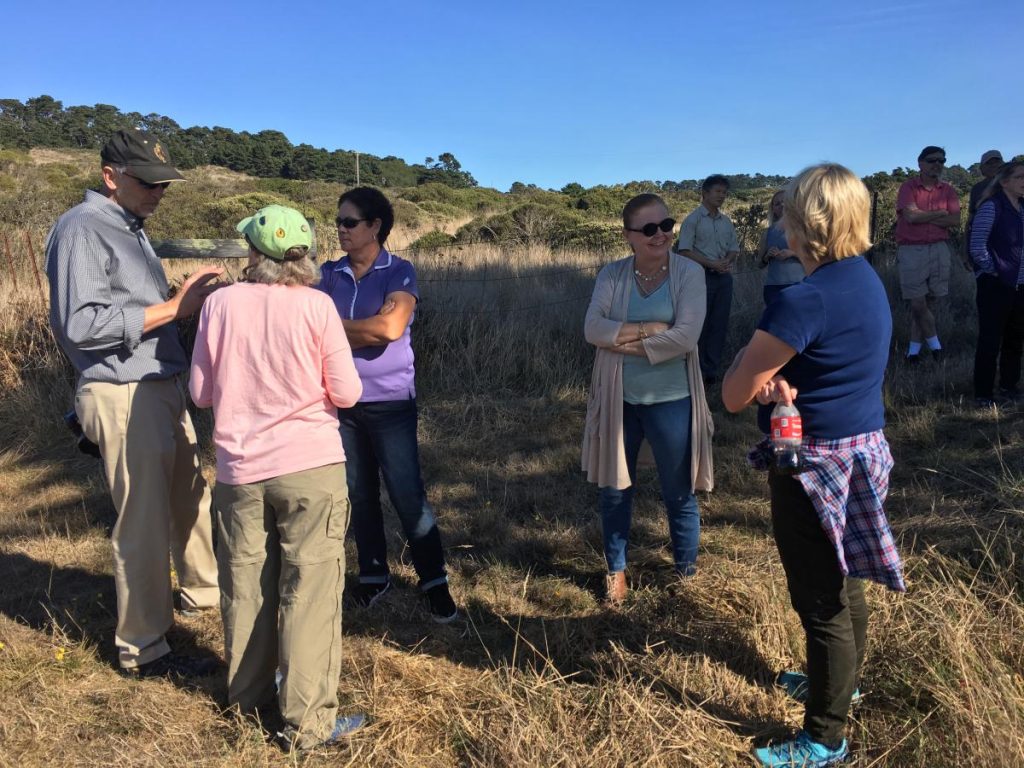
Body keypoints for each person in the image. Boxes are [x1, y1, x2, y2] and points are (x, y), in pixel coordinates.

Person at [722, 163, 905, 768]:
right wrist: (781, 378)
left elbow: (732, 392)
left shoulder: (803, 299)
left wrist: (761, 377)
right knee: (846, 582)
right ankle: (840, 686)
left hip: (813, 465)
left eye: (785, 214)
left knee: (820, 600)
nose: (780, 225)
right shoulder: (865, 279)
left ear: (803, 226)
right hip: (861, 451)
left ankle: (826, 736)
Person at [44, 129, 223, 676]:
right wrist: (174, 308)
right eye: (146, 182)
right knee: (142, 520)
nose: (157, 192)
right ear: (110, 177)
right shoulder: (81, 228)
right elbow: (79, 325)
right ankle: (144, 647)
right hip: (123, 391)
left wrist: (188, 308)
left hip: (159, 384)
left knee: (190, 495)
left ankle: (203, 594)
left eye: (162, 183)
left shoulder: (129, 227)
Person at [190, 204, 366, 750]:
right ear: (304, 255)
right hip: (310, 465)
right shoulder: (317, 306)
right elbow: (348, 392)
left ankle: (247, 700)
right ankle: (308, 723)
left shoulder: (219, 304)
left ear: (252, 253)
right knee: (310, 590)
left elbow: (201, 392)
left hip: (240, 470)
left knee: (245, 585)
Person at [317, 187, 458, 623]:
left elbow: (391, 328)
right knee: (359, 494)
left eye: (349, 222)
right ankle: (374, 576)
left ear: (375, 226)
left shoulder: (399, 271)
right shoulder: (328, 272)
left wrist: (330, 327)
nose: (339, 229)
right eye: (338, 221)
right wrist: (361, 328)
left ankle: (434, 580)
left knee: (406, 493)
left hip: (391, 402)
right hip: (340, 402)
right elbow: (328, 329)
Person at [582, 193, 714, 605]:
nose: (661, 235)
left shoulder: (689, 273)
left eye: (667, 225)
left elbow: (686, 338)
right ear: (629, 237)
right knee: (615, 490)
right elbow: (591, 329)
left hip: (674, 398)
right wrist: (650, 329)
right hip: (619, 396)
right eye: (649, 229)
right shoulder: (613, 274)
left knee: (679, 492)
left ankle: (686, 575)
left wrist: (621, 340)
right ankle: (616, 571)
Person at [894, 145, 961, 363]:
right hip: (912, 249)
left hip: (939, 248)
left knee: (929, 303)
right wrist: (940, 213)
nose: (937, 165)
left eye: (942, 161)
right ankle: (936, 347)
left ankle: (913, 352)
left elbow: (954, 220)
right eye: (932, 160)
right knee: (917, 303)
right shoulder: (909, 187)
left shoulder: (948, 190)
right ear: (920, 163)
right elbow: (911, 217)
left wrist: (926, 215)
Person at [675, 175, 740, 384]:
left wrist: (726, 261)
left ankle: (711, 372)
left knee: (719, 325)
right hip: (700, 279)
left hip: (724, 279)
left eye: (724, 192)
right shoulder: (692, 220)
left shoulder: (726, 221)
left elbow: (733, 248)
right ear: (705, 193)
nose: (722, 196)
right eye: (718, 191)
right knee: (698, 325)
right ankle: (694, 371)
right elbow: (684, 251)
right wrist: (711, 264)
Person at [969, 160, 1024, 408]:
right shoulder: (992, 206)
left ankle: (1009, 387)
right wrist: (994, 271)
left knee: (1015, 338)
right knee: (990, 340)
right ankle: (983, 394)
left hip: (1020, 286)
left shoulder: (1022, 208)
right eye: (1020, 177)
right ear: (1004, 181)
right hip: (995, 285)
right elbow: (977, 245)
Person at [758, 190, 803, 305]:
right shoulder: (767, 232)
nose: (782, 205)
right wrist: (767, 256)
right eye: (777, 204)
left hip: (798, 284)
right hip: (773, 287)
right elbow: (760, 264)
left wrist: (792, 253)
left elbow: (816, 257)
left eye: (784, 202)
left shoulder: (803, 229)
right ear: (773, 209)